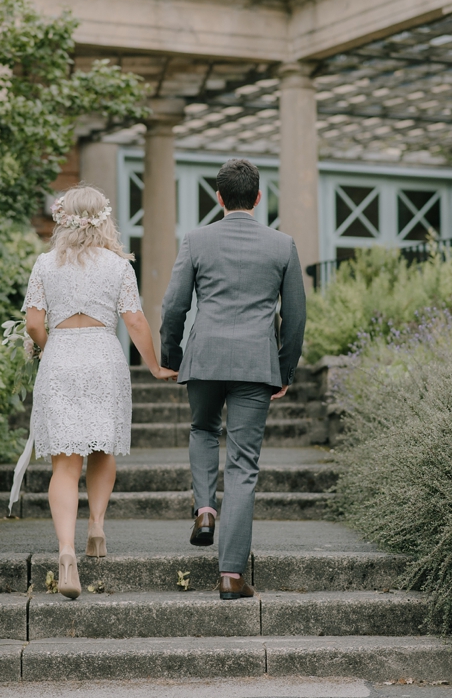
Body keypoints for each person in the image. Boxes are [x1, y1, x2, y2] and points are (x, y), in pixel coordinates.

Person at [159, 157, 306, 600]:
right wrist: (285, 369)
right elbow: (295, 317)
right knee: (242, 466)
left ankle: (205, 508)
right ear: (259, 198)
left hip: (205, 358)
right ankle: (231, 576)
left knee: (203, 428)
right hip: (255, 365)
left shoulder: (196, 241)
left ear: (218, 197)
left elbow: (173, 306)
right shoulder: (282, 245)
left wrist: (172, 355)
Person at [23, 186, 178, 600]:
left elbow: (34, 323)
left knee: (64, 463)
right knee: (102, 449)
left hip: (61, 359)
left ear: (63, 218)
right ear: (104, 218)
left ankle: (66, 552)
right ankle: (95, 526)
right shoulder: (117, 265)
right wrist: (155, 365)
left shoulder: (44, 264)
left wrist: (44, 346)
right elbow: (136, 321)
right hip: (103, 358)